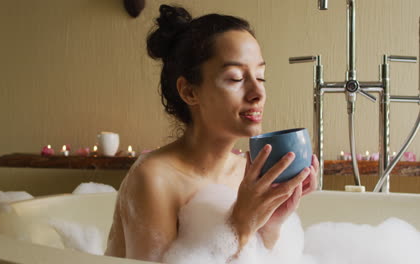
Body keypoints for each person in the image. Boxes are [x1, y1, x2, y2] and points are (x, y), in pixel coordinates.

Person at [105, 4, 319, 262]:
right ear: (189, 92)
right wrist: (239, 225)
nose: (257, 92)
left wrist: (271, 225)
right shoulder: (154, 179)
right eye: (236, 78)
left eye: (261, 76)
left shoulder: (246, 172)